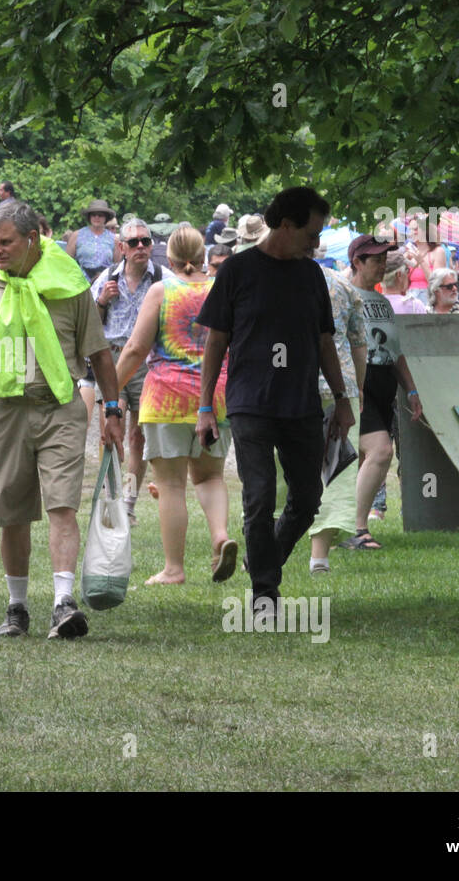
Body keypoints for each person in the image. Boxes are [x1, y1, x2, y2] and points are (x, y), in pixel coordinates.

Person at [0, 199, 124, 639]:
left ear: (32, 240)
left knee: (62, 503)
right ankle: (16, 608)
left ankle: (63, 604)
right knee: (11, 510)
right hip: (6, 410)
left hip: (61, 406)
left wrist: (112, 408)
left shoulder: (69, 285)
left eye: (6, 242)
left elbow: (99, 353)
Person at [196, 187, 355, 610]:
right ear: (286, 224)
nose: (316, 243)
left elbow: (324, 342)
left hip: (301, 404)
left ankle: (261, 560)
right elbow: (216, 340)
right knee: (260, 495)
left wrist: (341, 399)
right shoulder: (238, 271)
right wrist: (205, 405)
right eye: (312, 233)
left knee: (307, 499)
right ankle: (265, 592)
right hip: (250, 402)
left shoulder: (311, 275)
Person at [115, 226, 237, 584]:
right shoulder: (222, 289)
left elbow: (137, 348)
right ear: (203, 255)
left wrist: (113, 389)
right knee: (211, 475)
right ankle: (219, 536)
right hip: (216, 396)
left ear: (167, 259)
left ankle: (174, 569)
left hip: (166, 396)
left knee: (170, 485)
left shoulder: (162, 290)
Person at [340, 235, 422, 552]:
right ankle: (355, 528)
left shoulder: (383, 302)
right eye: (376, 260)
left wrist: (411, 389)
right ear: (357, 262)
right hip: (357, 383)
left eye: (385, 259)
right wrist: (348, 386)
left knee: (364, 458)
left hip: (384, 382)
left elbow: (395, 352)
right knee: (381, 452)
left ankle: (340, 528)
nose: (383, 265)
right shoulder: (344, 297)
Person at [92, 216, 168, 524]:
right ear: (121, 247)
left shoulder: (163, 278)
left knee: (138, 437)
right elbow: (89, 325)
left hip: (147, 362)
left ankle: (128, 502)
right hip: (111, 360)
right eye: (134, 242)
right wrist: (101, 301)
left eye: (145, 241)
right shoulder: (106, 278)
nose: (140, 247)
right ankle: (110, 500)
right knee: (112, 432)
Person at [305, 258, 368, 575]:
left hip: (290, 389)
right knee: (335, 471)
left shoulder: (273, 281)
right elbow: (358, 345)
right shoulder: (342, 285)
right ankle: (319, 557)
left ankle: (271, 546)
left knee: (287, 470)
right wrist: (358, 388)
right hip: (337, 389)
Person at [67, 200, 117, 282]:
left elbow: (117, 266)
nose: (97, 217)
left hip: (105, 283)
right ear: (89, 217)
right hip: (80, 282)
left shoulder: (114, 239)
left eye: (100, 215)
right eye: (94, 215)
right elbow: (67, 262)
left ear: (106, 217)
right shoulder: (77, 235)